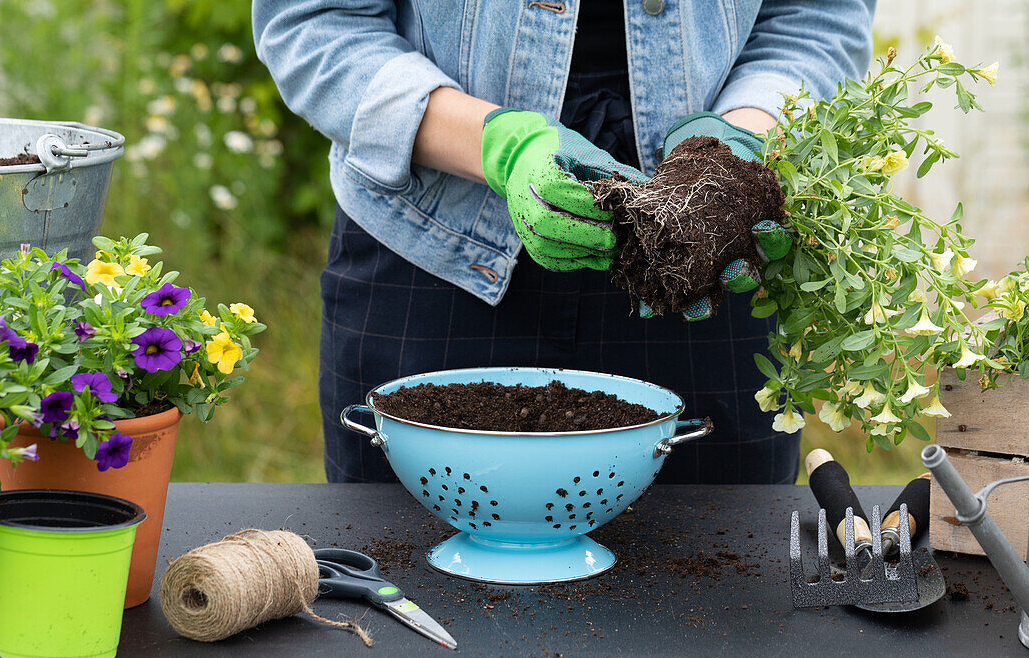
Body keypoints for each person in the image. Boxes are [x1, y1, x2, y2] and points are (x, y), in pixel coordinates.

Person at [254, 0, 875, 484]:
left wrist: (736, 152)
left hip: (702, 247)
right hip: (436, 252)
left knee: (716, 604)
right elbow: (314, 23)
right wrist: (499, 145)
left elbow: (813, 23)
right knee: (410, 582)